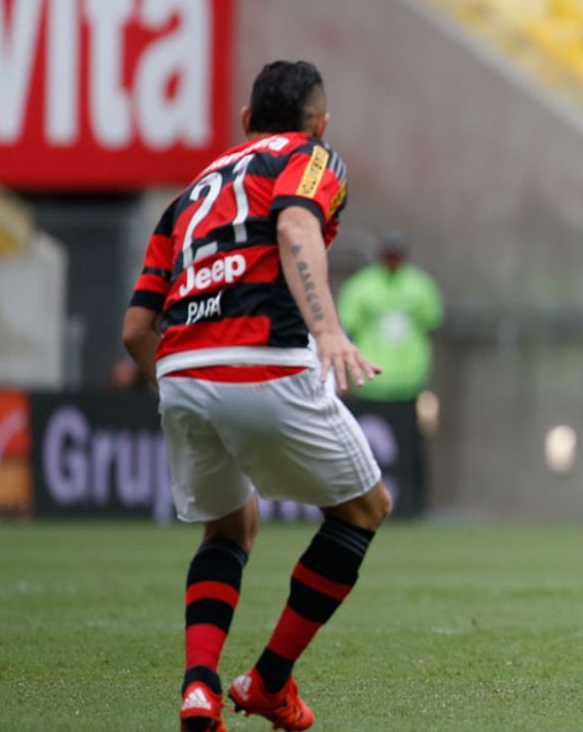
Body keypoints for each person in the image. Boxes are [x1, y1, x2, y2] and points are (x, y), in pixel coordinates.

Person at [122, 60, 393, 732]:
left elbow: (134, 330)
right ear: (319, 121)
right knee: (363, 510)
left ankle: (197, 688)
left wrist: (179, 388)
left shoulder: (187, 196)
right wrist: (327, 330)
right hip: (263, 353)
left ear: (245, 122)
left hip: (180, 366)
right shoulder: (311, 157)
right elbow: (296, 228)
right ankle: (269, 681)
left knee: (230, 526)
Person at [338, 230, 443, 402]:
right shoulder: (361, 286)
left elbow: (431, 323)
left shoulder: (420, 285)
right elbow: (348, 329)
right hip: (367, 383)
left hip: (409, 382)